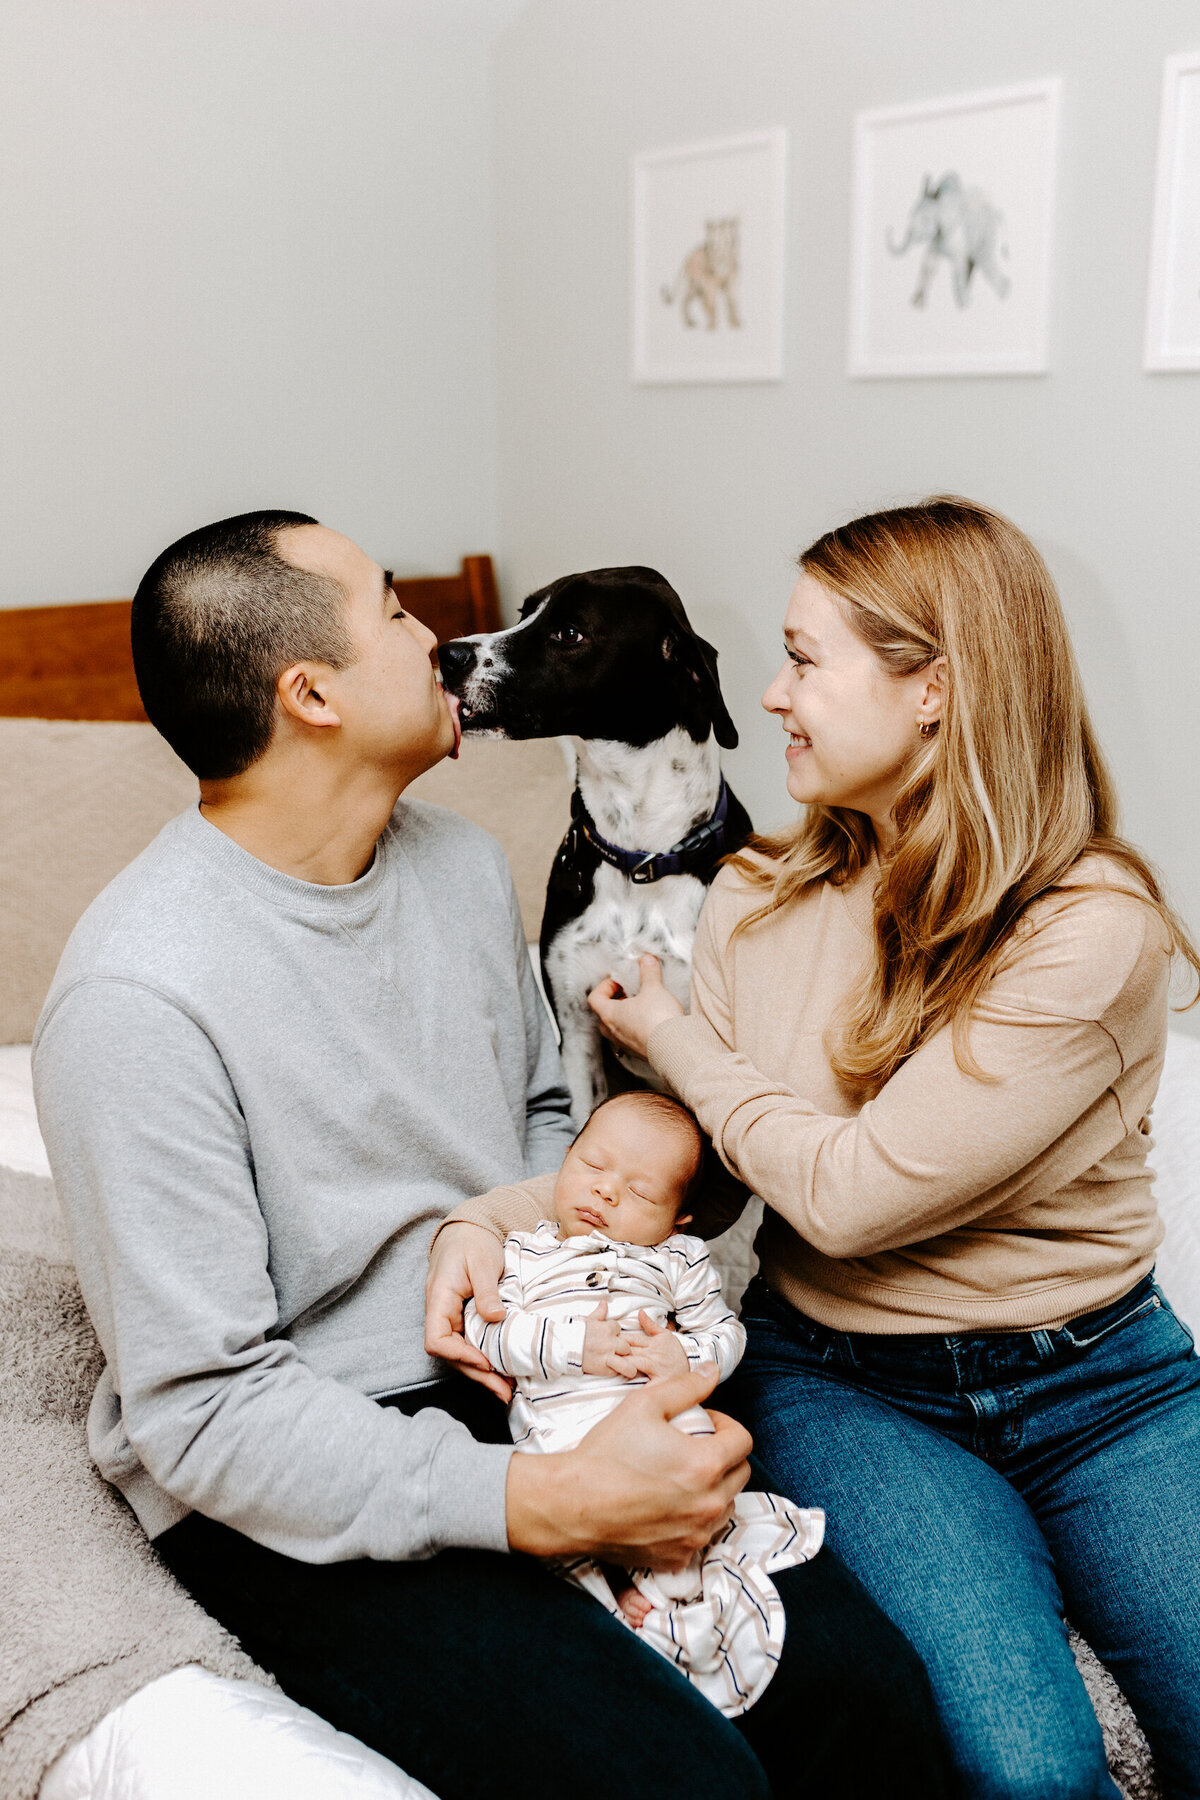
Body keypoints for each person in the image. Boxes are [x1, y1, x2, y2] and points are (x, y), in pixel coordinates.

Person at [34, 510, 952, 1800]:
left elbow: (538, 1119)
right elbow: (204, 1414)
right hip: (318, 1453)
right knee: (679, 1783)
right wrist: (543, 1501)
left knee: (874, 1709)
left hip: (533, 1367)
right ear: (310, 697)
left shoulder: (462, 867)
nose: (439, 639)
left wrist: (589, 1298)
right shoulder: (136, 998)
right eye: (398, 615)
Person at [431, 495, 1200, 1800]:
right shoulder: (757, 895)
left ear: (936, 689)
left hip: (1102, 1389)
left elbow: (847, 1194)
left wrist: (675, 1035)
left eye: (804, 659)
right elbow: (715, 1175)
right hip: (854, 1386)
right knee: (1029, 1773)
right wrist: (495, 1215)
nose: (771, 694)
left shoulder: (1091, 925)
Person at [463, 1088, 824, 1718]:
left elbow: (726, 1332)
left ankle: (675, 1590)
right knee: (551, 1527)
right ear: (565, 1160)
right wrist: (573, 1345)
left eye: (641, 1192)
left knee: (690, 1478)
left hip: (654, 1408)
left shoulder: (677, 1259)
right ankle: (610, 1587)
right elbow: (485, 1330)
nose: (605, 1193)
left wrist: (687, 1358)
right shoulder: (521, 1251)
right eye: (593, 1166)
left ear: (678, 1219)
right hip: (560, 1422)